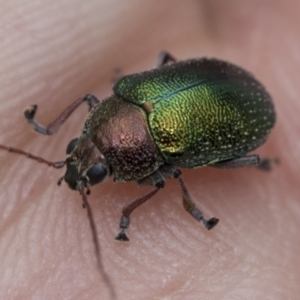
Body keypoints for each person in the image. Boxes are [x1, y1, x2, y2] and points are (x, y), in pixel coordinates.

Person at [0, 1, 299, 299]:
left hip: (244, 107)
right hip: (215, 78)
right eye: (89, 163)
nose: (82, 161)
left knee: (176, 174)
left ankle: (190, 208)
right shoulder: (127, 93)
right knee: (154, 67)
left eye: (96, 171)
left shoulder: (159, 138)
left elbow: (166, 177)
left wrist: (127, 214)